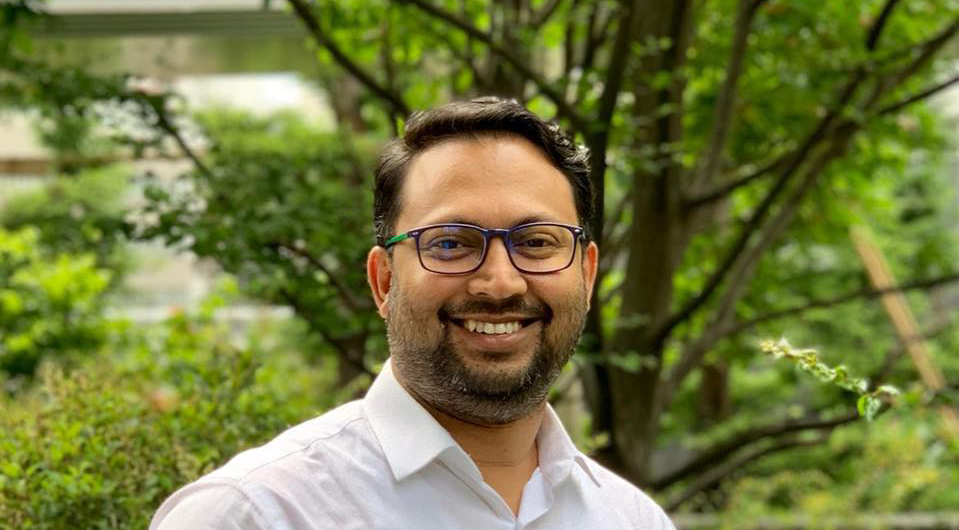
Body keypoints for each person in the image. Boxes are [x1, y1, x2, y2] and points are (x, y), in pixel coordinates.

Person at [150, 97, 676, 529]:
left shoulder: (631, 519)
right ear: (384, 281)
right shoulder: (254, 515)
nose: (500, 282)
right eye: (450, 243)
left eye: (537, 242)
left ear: (586, 274)